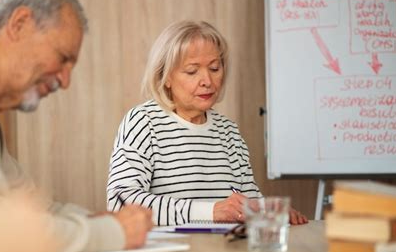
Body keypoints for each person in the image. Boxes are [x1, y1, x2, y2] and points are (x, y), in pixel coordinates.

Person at [0, 0, 153, 252]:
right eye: (63, 58)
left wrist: (102, 221)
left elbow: (31, 208)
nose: (65, 81)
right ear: (19, 24)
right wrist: (110, 233)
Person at [106, 21, 308, 226]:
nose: (208, 81)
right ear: (165, 77)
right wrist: (210, 211)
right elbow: (121, 204)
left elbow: (247, 203)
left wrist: (269, 210)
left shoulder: (229, 132)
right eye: (192, 71)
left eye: (214, 68)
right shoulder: (143, 122)